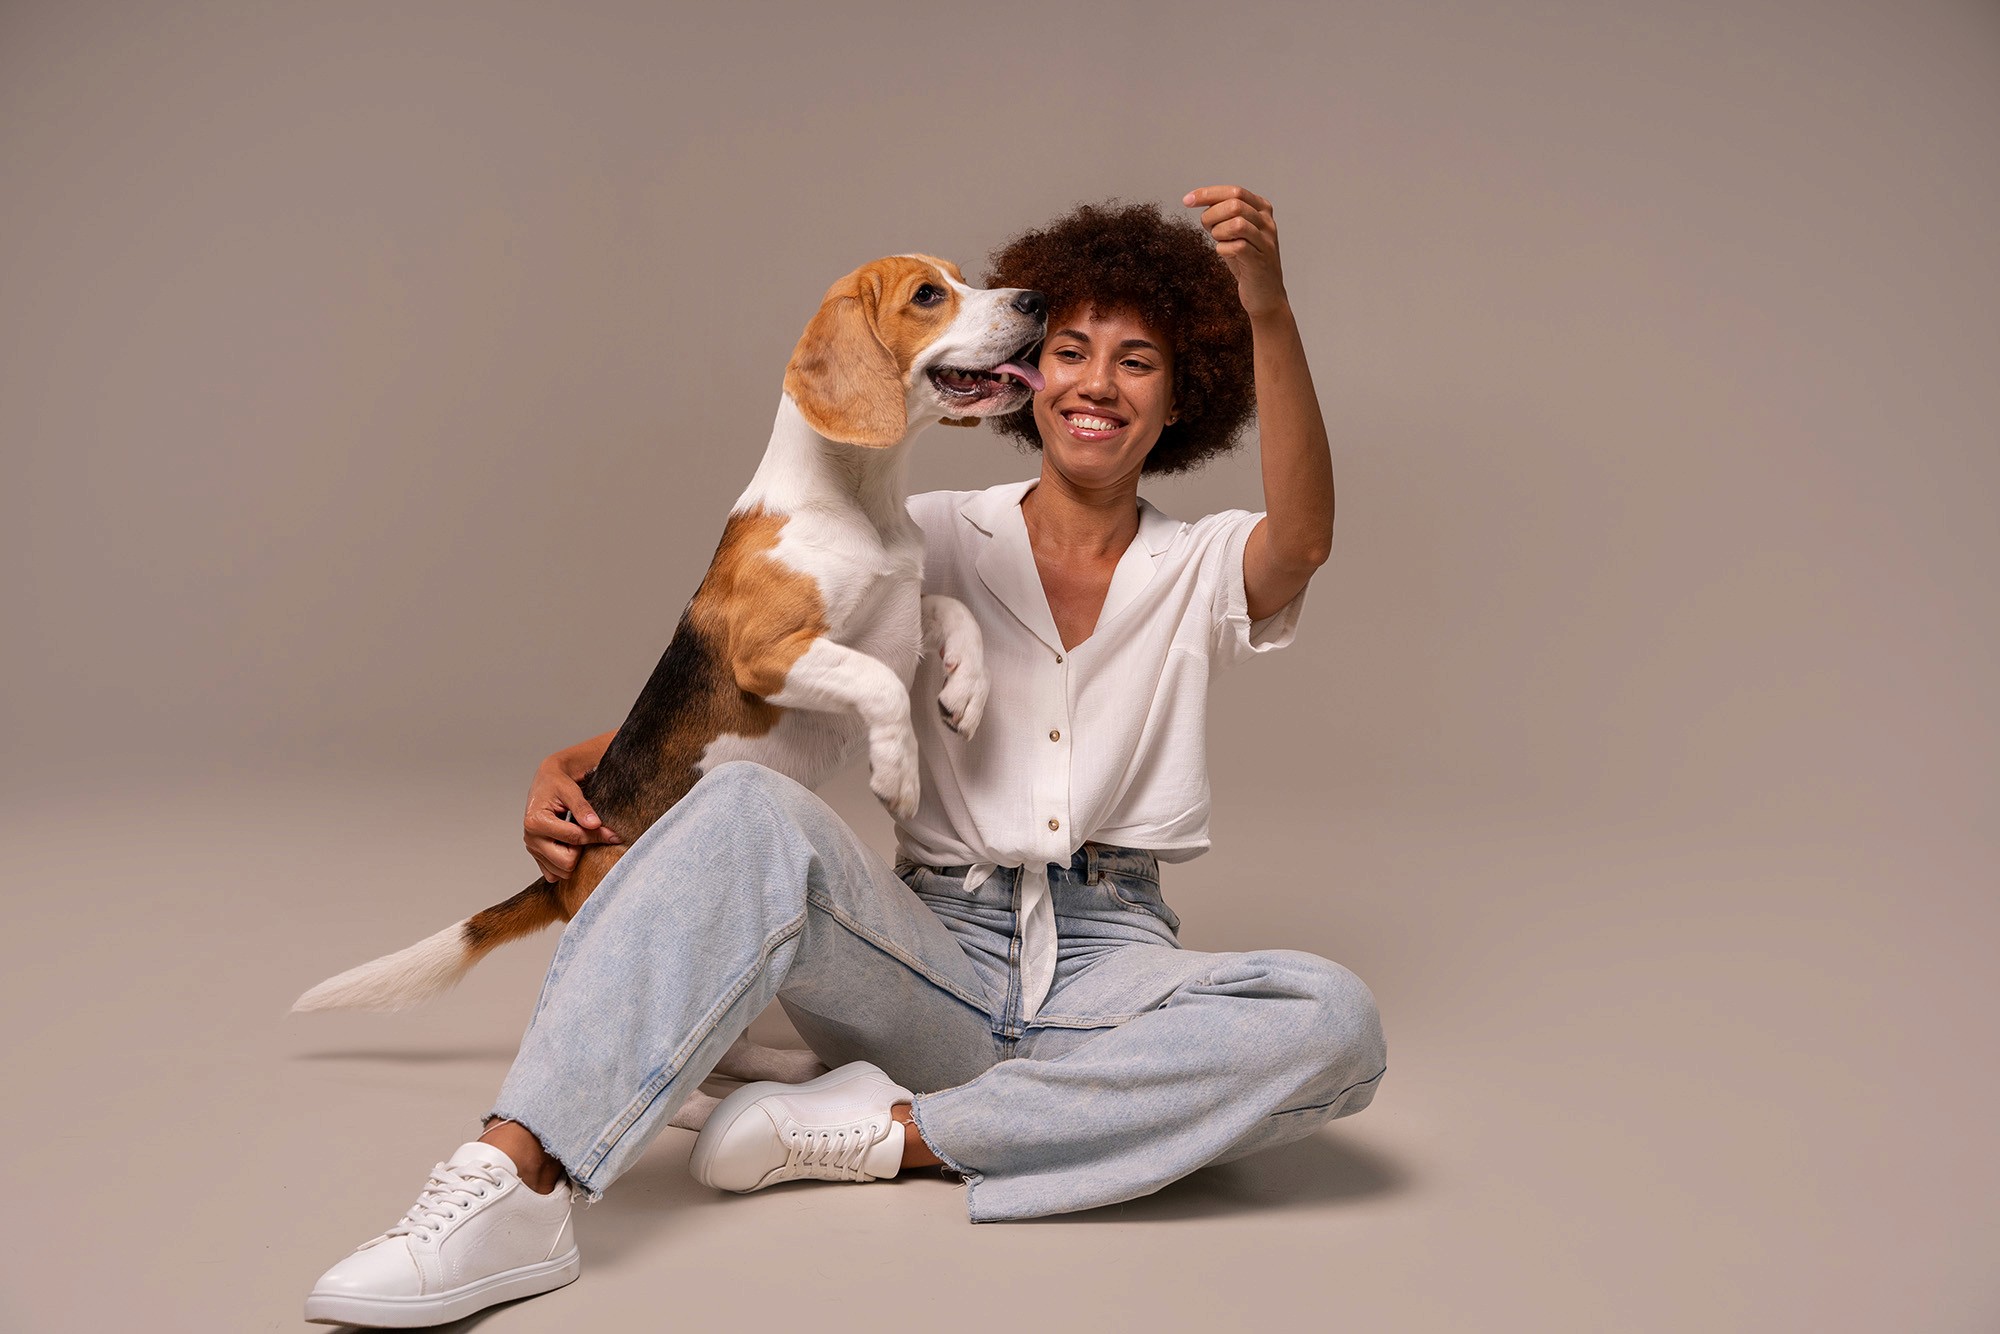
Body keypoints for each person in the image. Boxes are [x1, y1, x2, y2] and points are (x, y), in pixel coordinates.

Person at [304, 185, 1388, 1328]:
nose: (1096, 383)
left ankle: (890, 1133)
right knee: (738, 805)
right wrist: (573, 766)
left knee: (1331, 1018)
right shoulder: (926, 534)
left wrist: (1264, 304)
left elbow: (1302, 537)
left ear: (1184, 395)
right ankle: (513, 1180)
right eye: (1069, 351)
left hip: (1107, 965)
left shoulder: (1201, 564)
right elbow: (737, 662)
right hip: (921, 955)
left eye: (1138, 360)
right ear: (1023, 375)